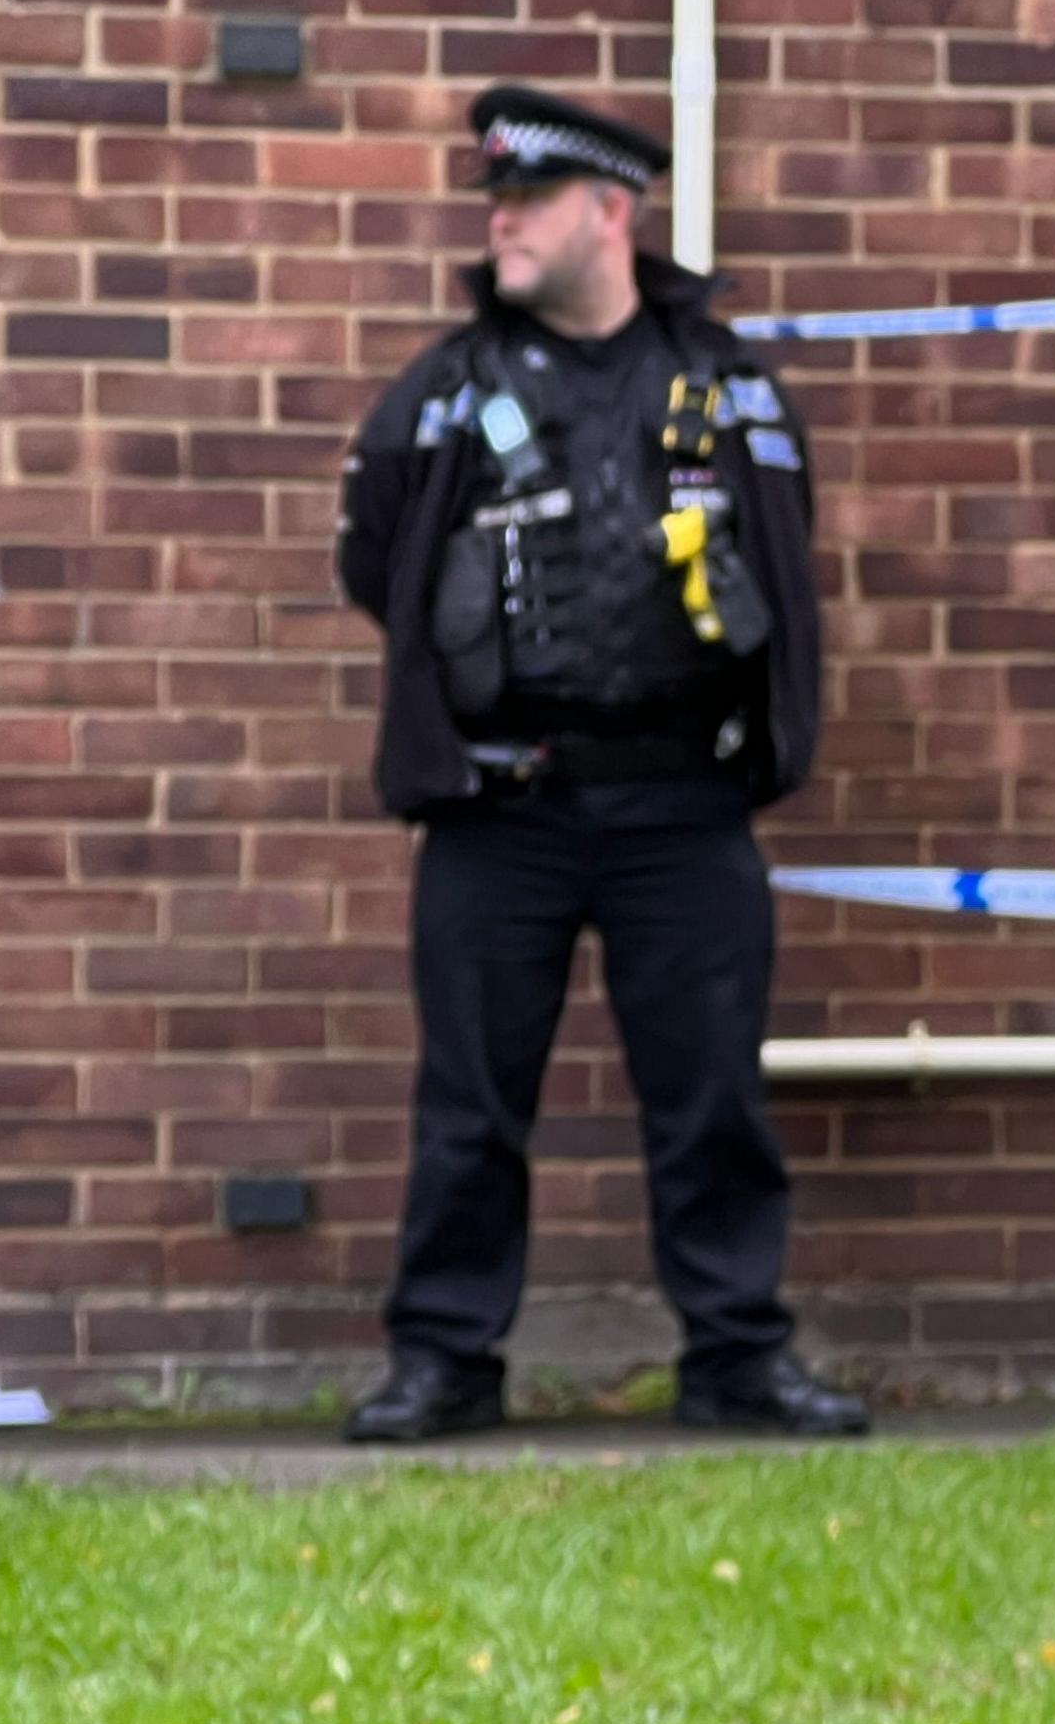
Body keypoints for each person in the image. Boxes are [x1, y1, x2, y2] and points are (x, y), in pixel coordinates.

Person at [330, 84, 864, 1442]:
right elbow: (370, 558)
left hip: (684, 802)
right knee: (469, 1107)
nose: (499, 224)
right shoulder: (447, 391)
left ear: (609, 211)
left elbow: (787, 559)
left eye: (528, 203)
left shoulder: (728, 385)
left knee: (711, 1101)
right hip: (500, 804)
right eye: (495, 201)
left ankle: (738, 1359)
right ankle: (445, 1361)